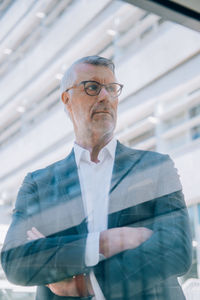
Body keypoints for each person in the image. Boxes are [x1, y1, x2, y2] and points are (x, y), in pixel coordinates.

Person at [1, 56, 192, 300]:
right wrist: (103, 243)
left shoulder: (156, 167)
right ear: (67, 100)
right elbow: (16, 262)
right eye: (92, 87)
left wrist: (84, 284)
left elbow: (177, 250)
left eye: (112, 89)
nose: (105, 97)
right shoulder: (38, 184)